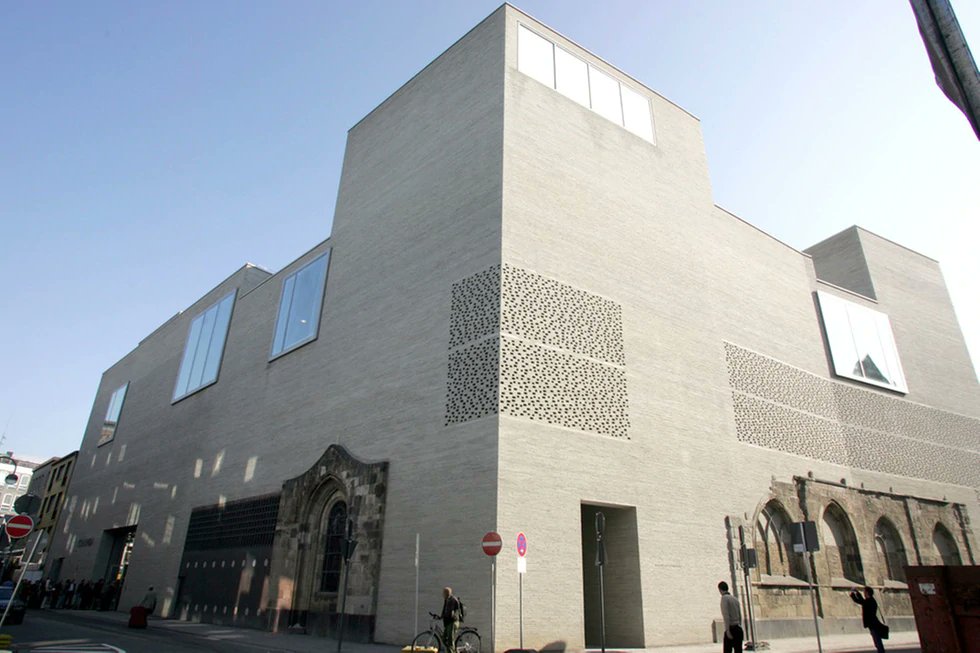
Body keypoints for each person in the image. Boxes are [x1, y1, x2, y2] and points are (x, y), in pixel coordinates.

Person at [849, 586, 886, 653]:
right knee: (876, 640)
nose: (864, 593)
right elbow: (862, 601)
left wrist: (853, 594)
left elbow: (860, 601)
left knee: (877, 640)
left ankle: (881, 652)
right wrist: (856, 592)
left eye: (865, 592)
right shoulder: (870, 600)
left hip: (873, 624)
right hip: (872, 624)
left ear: (867, 593)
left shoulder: (870, 601)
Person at [718, 581, 743, 653]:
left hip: (731, 628)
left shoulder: (724, 598)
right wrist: (740, 624)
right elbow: (739, 614)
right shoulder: (735, 599)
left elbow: (726, 615)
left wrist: (727, 630)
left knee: (727, 650)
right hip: (738, 628)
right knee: (738, 650)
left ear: (720, 589)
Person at [440, 586, 462, 653]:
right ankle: (450, 650)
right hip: (448, 622)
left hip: (453, 622)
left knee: (450, 640)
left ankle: (452, 651)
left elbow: (450, 612)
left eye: (444, 593)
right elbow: (444, 610)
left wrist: (445, 616)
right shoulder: (447, 599)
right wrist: (440, 616)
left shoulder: (452, 600)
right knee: (444, 639)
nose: (442, 594)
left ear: (447, 593)